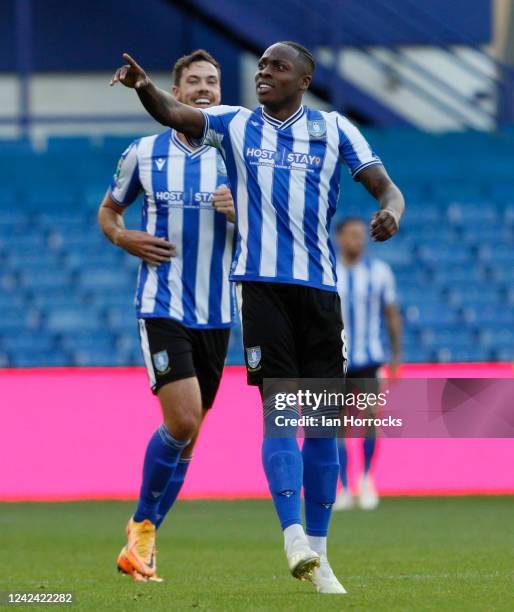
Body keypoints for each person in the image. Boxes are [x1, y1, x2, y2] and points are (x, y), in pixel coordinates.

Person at [110, 40, 404, 595]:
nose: (264, 73)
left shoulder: (335, 129)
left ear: (303, 79)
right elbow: (176, 114)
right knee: (279, 413)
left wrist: (390, 209)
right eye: (261, 66)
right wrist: (146, 88)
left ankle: (319, 553)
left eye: (277, 67)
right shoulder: (234, 124)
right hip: (261, 291)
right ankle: (292, 535)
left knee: (322, 428)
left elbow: (384, 184)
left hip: (321, 294)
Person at [99, 49, 236, 582]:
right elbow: (109, 210)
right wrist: (122, 235)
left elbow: (272, 228)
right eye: (195, 82)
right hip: (162, 303)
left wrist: (241, 213)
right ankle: (143, 532)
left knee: (190, 433)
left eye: (213, 82)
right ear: (176, 92)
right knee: (182, 420)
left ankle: (141, 534)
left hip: (218, 314)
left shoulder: (236, 155)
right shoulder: (144, 153)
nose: (204, 89)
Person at [333, 217, 402, 511]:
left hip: (370, 358)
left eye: (361, 235)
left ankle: (366, 479)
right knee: (338, 424)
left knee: (372, 418)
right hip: (336, 361)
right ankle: (344, 488)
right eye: (352, 235)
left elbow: (391, 314)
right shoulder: (329, 271)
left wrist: (396, 356)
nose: (358, 240)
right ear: (339, 238)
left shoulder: (380, 272)